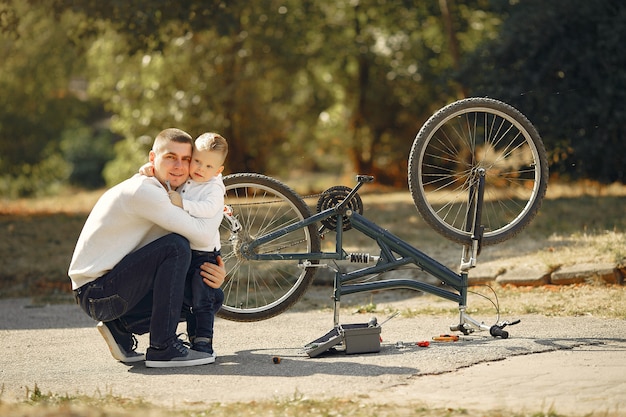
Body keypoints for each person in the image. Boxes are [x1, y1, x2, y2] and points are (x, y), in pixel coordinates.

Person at [68, 128, 226, 368]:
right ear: (153, 158)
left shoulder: (166, 188)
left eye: (186, 159)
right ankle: (163, 347)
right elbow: (203, 235)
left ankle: (120, 327)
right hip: (97, 293)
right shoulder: (145, 191)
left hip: (110, 288)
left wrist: (214, 273)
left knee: (208, 294)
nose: (180, 166)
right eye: (170, 157)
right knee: (176, 247)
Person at [141, 132, 228, 358]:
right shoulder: (189, 177)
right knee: (187, 298)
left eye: (209, 166)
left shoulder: (214, 187)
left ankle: (203, 342)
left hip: (206, 256)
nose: (200, 168)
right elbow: (166, 180)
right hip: (187, 251)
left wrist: (184, 204)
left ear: (218, 171)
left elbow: (209, 208)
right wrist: (147, 169)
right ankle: (192, 339)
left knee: (202, 300)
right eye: (197, 161)